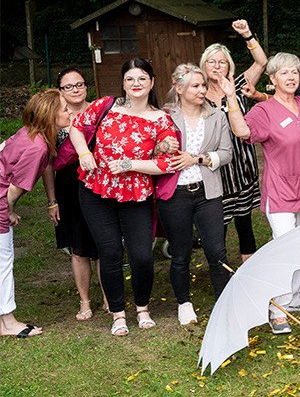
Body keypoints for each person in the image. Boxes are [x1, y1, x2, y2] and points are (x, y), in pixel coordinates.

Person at [69, 58, 178, 336]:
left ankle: (142, 307)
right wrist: (84, 153)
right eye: (130, 79)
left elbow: (166, 163)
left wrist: (131, 164)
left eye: (142, 78)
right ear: (123, 83)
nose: (136, 84)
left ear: (152, 82)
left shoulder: (161, 119)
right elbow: (76, 126)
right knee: (110, 253)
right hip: (96, 190)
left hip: (136, 194)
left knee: (142, 255)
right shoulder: (106, 105)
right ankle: (117, 313)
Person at [222, 52, 300, 334]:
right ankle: (277, 308)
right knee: (284, 249)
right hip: (280, 189)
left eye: (294, 72)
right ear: (272, 79)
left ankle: (294, 296)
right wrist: (231, 97)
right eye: (284, 73)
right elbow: (242, 131)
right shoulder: (264, 111)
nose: (291, 77)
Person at [157, 64, 234, 325]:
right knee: (181, 252)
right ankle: (184, 303)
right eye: (196, 86)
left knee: (217, 251)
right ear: (179, 89)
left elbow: (226, 153)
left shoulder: (217, 116)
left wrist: (197, 158)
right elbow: (153, 151)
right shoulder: (165, 116)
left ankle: (223, 302)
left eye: (203, 85)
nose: (202, 90)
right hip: (175, 193)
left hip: (208, 192)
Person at [1, 90, 71, 338]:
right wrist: (8, 212)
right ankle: (7, 323)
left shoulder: (31, 134)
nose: (69, 111)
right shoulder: (37, 148)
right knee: (3, 262)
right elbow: (12, 190)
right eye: (64, 108)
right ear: (50, 115)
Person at [199, 20, 267, 262]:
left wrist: (248, 35)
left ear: (229, 65)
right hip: (214, 168)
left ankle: (248, 268)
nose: (217, 66)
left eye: (222, 61)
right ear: (204, 66)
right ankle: (220, 270)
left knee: (244, 221)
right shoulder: (197, 92)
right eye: (212, 61)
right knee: (218, 223)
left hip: (241, 164)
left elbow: (262, 62)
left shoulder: (239, 85)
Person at [51, 68, 108, 320]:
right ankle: (84, 301)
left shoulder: (101, 112)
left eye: (79, 84)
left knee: (105, 244)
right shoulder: (56, 119)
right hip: (68, 188)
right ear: (60, 91)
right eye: (68, 86)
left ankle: (110, 297)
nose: (75, 89)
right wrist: (52, 200)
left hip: (100, 184)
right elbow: (46, 164)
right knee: (78, 247)